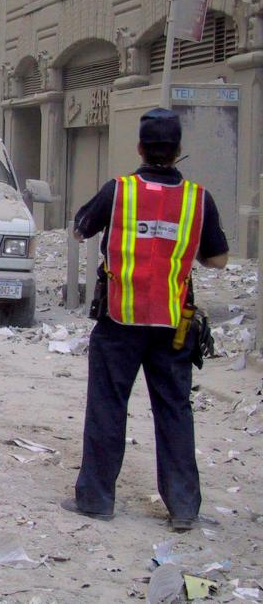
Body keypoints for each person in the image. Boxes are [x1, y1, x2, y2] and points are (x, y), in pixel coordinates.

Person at [62, 108, 229, 532]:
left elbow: (80, 230)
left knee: (107, 408)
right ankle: (184, 508)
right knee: (174, 411)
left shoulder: (118, 192)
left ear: (140, 148)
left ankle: (97, 500)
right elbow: (219, 259)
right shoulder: (197, 198)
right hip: (173, 325)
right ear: (178, 152)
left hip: (119, 321)